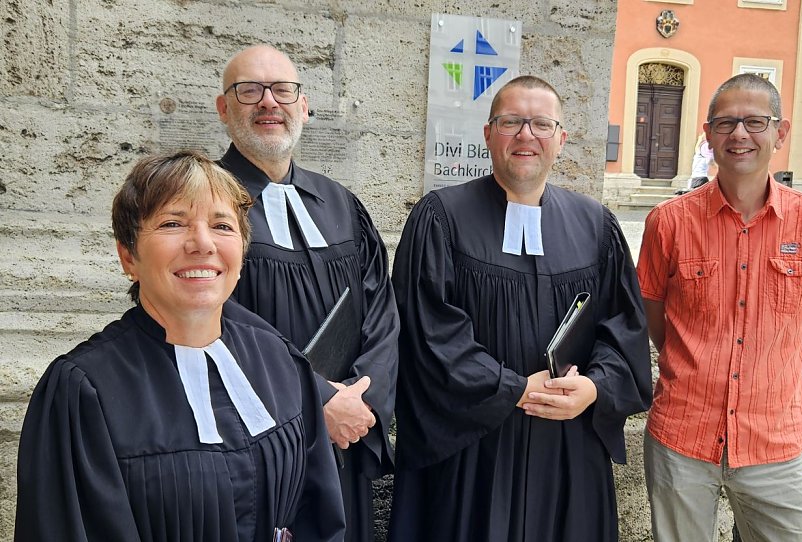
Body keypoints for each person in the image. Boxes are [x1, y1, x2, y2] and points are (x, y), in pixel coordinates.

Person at [14, 151, 345, 541]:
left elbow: (318, 516)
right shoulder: (84, 390)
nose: (202, 244)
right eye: (173, 223)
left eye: (222, 225)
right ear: (128, 257)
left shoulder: (279, 360)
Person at [388, 75, 653, 541]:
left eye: (541, 124)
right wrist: (509, 387)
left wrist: (594, 388)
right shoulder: (441, 218)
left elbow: (624, 328)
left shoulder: (595, 226)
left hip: (568, 447)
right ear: (489, 134)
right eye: (511, 122)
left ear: (562, 139)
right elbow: (427, 332)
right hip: (475, 450)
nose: (526, 135)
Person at [637, 73, 802, 541]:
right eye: (725, 123)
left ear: (780, 133)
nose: (739, 134)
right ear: (708, 135)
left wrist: (774, 362)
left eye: (754, 121)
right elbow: (653, 314)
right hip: (683, 437)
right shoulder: (669, 222)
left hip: (776, 441)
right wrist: (697, 364)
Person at [215, 45, 399, 542]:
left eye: (283, 90)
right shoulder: (204, 202)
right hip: (258, 440)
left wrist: (363, 400)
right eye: (249, 90)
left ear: (304, 105)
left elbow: (381, 313)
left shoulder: (340, 202)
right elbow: (213, 322)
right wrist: (317, 402)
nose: (269, 102)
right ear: (223, 107)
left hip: (344, 434)